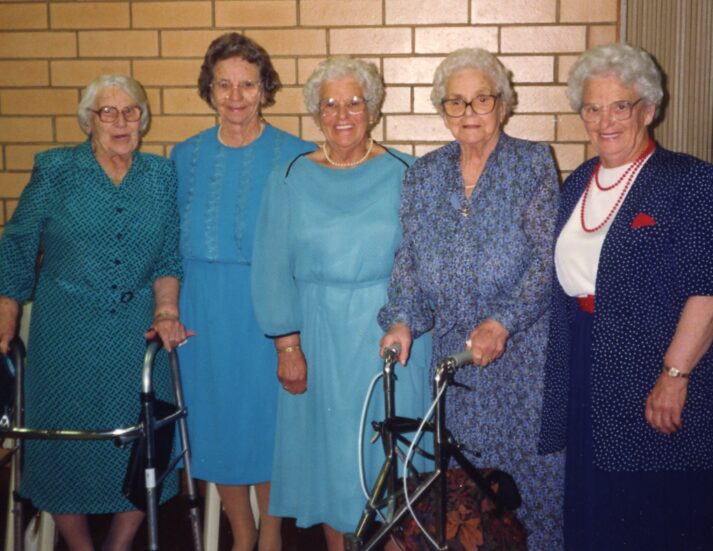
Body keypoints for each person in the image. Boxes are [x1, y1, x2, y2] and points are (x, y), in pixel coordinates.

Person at [539, 43, 713, 550]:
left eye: (619, 106)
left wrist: (675, 375)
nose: (604, 121)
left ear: (648, 109)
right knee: (598, 510)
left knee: (656, 513)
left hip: (657, 366)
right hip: (588, 362)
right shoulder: (578, 183)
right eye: (592, 108)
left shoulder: (691, 181)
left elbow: (708, 291)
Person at [378, 48, 564, 551]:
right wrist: (402, 320)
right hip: (455, 359)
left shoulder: (531, 163)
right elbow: (409, 259)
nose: (469, 113)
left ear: (502, 103)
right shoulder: (423, 174)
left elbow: (548, 260)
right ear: (442, 111)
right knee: (465, 488)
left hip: (522, 355)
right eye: (455, 102)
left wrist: (504, 321)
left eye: (481, 99)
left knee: (531, 484)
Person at [0, 74, 189, 551]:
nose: (121, 121)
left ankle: (118, 545)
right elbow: (19, 242)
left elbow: (168, 256)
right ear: (89, 121)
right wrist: (6, 312)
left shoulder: (160, 175)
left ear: (143, 120)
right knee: (61, 445)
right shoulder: (56, 169)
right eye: (108, 112)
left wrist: (167, 310)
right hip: (66, 329)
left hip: (136, 330)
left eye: (131, 111)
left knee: (144, 441)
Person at [252, 56, 432, 551]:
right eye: (329, 104)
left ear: (373, 108)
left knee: (394, 463)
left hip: (389, 334)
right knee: (332, 463)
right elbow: (270, 266)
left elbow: (426, 262)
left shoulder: (408, 172)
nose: (342, 114)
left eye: (354, 102)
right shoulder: (289, 175)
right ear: (315, 113)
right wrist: (287, 346)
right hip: (319, 336)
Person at [171, 32, 314, 551]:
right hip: (203, 311)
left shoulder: (297, 155)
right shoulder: (184, 155)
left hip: (268, 311)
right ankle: (241, 532)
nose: (236, 96)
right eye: (224, 84)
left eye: (248, 84)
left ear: (265, 89)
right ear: (208, 90)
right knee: (216, 426)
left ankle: (271, 535)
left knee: (269, 427)